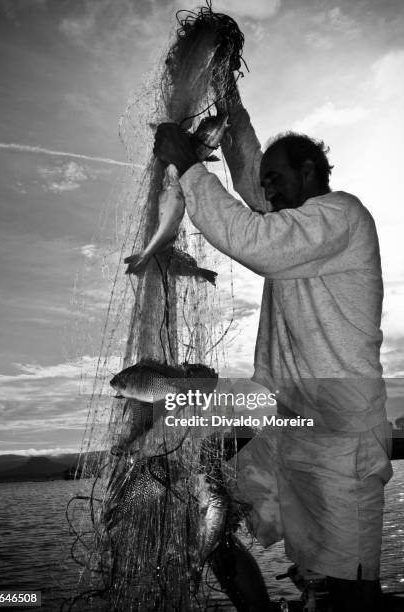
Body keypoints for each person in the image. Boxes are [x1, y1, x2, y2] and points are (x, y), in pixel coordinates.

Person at [153, 80, 393, 612]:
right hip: (287, 421)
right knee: (202, 515)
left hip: (340, 439)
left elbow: (255, 240)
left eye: (279, 181)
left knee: (349, 589)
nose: (270, 194)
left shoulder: (339, 216)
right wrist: (231, 110)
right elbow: (251, 180)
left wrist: (190, 167)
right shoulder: (295, 222)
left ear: (311, 171)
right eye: (268, 185)